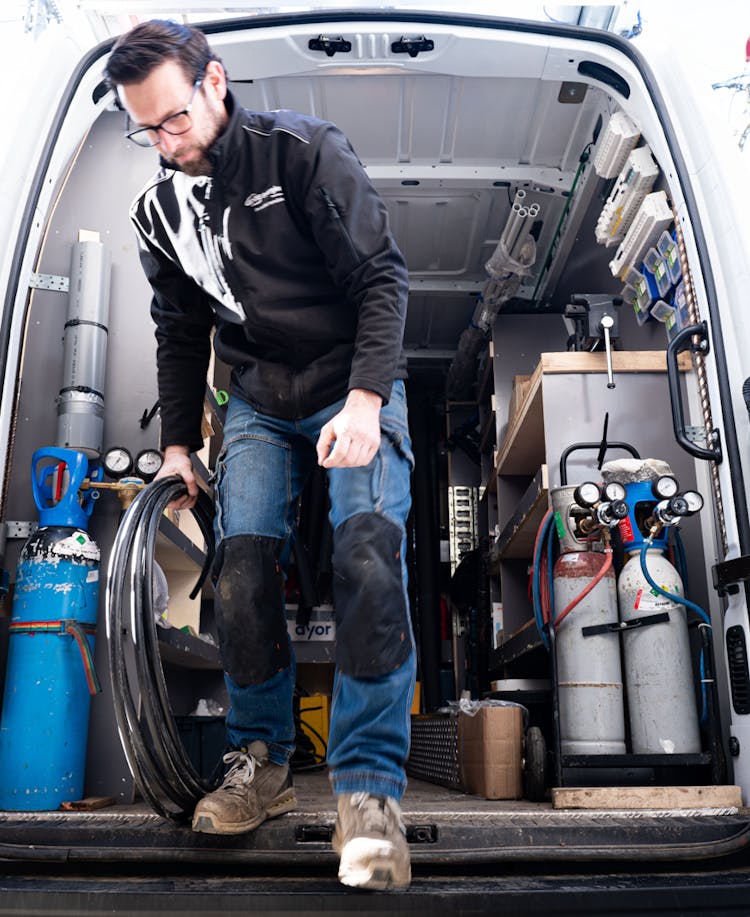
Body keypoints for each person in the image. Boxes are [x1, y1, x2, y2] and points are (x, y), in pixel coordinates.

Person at [104, 20, 415, 891]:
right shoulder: (158, 212)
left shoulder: (303, 154)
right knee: (239, 571)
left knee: (365, 552)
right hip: (254, 398)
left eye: (173, 120)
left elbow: (384, 279)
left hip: (352, 377)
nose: (165, 144)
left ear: (214, 83)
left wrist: (364, 401)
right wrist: (175, 444)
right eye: (147, 130)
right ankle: (261, 763)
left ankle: (368, 794)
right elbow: (180, 328)